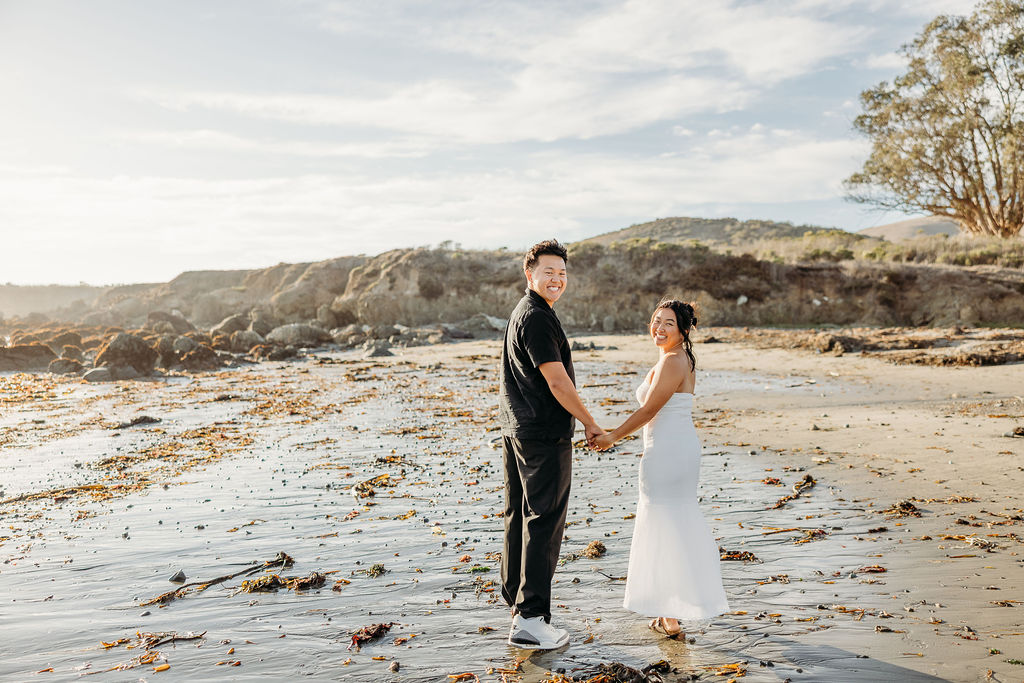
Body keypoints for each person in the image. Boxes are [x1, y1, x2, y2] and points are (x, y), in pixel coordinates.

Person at [592, 299, 728, 640]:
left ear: (683, 330)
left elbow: (650, 410)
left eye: (668, 323)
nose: (659, 328)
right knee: (669, 525)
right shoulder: (675, 358)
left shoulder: (672, 360)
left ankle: (671, 615)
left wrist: (612, 437)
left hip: (668, 452)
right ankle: (670, 612)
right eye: (656, 321)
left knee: (665, 524)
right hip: (674, 449)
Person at [498, 239, 604, 650]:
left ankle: (517, 604)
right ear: (530, 274)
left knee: (520, 517)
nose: (557, 279)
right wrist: (590, 423)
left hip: (518, 431)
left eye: (562, 273)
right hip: (542, 434)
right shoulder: (538, 318)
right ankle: (530, 618)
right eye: (548, 272)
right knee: (544, 521)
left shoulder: (524, 312)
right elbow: (557, 381)